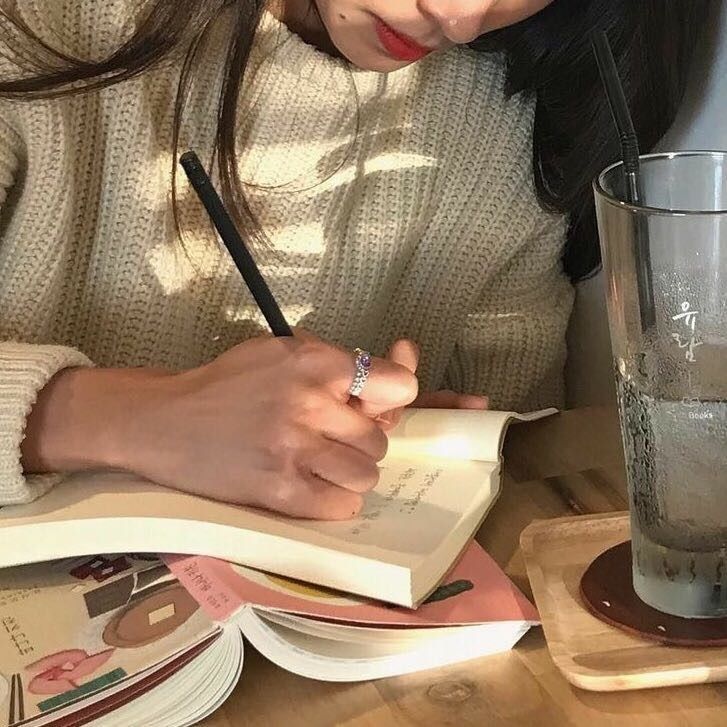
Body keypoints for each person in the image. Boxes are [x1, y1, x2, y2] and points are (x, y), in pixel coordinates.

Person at [0, 0, 705, 518]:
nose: (458, 17)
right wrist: (139, 418)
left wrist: (410, 442)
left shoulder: (509, 120)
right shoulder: (37, 23)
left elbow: (513, 449)